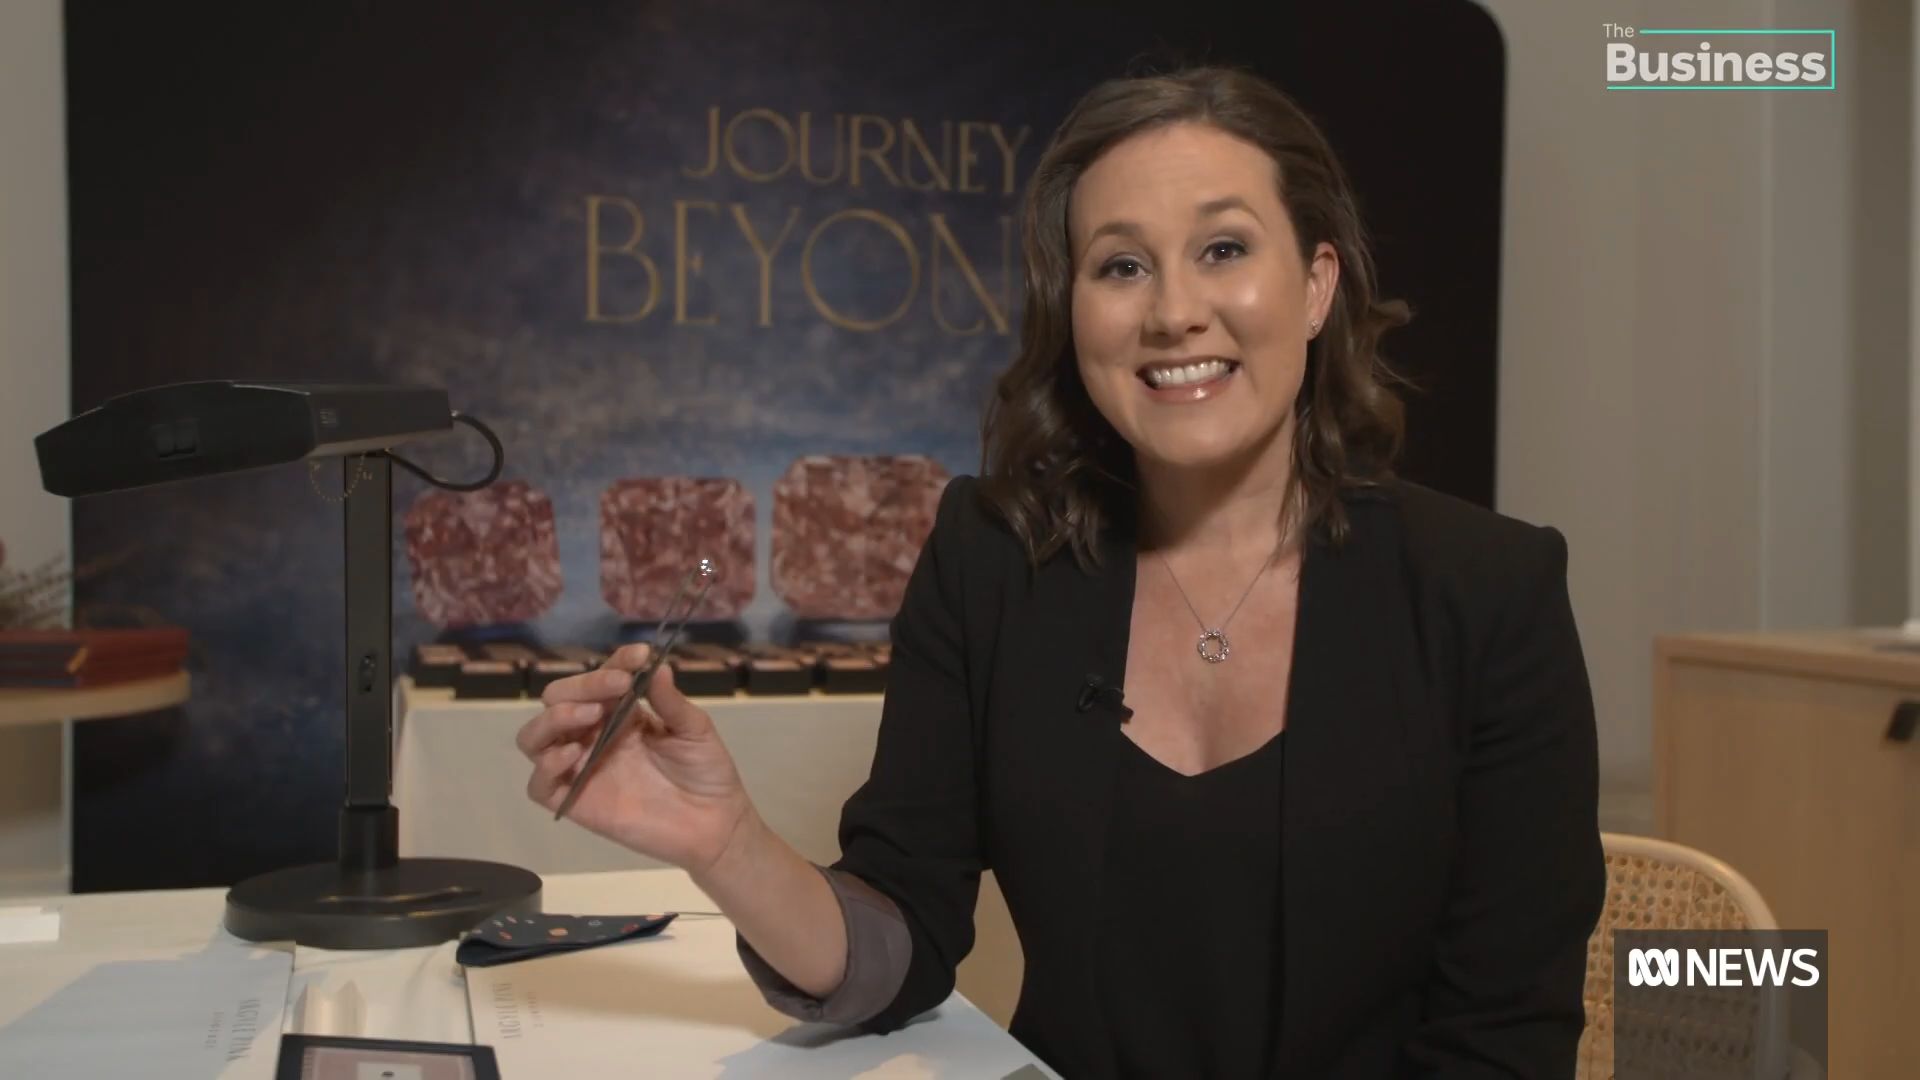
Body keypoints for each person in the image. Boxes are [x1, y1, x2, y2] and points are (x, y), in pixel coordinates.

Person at [517, 65, 1606, 1078]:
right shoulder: (990, 558)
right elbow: (901, 940)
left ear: (1317, 285)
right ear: (1071, 308)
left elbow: (1505, 1039)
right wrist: (727, 846)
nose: (1173, 311)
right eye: (1121, 265)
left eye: (1224, 249)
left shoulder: (1490, 594)